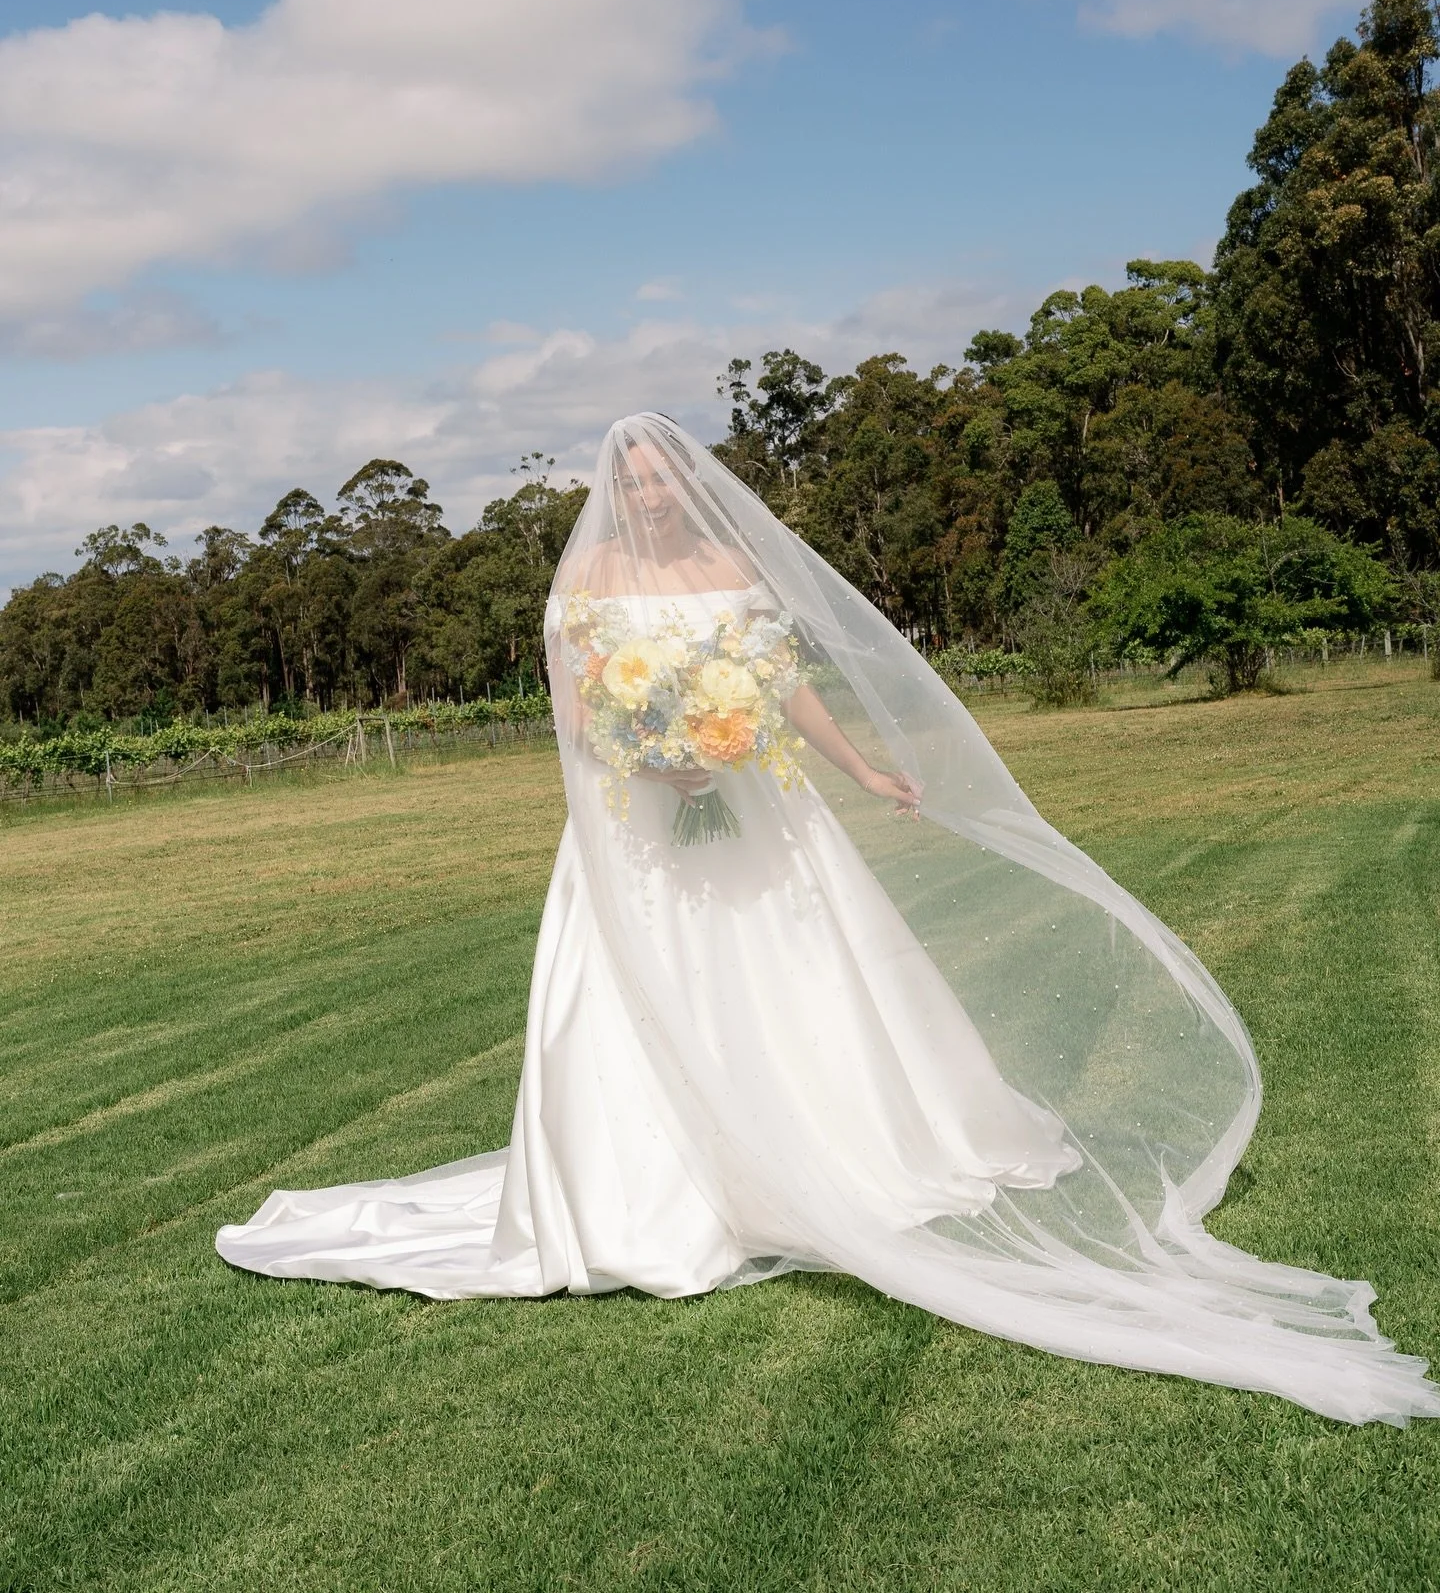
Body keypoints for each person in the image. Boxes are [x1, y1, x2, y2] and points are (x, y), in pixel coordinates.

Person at [218, 413, 1438, 1426]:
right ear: (611, 491)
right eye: (627, 479)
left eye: (659, 475)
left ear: (685, 482)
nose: (645, 494)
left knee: (801, 984)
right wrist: (655, 759)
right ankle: (655, 1195)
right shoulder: (587, 583)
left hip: (764, 818)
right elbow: (582, 714)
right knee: (644, 1006)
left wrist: (859, 773)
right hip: (638, 837)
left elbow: (782, 683)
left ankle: (833, 1151)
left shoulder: (732, 575)